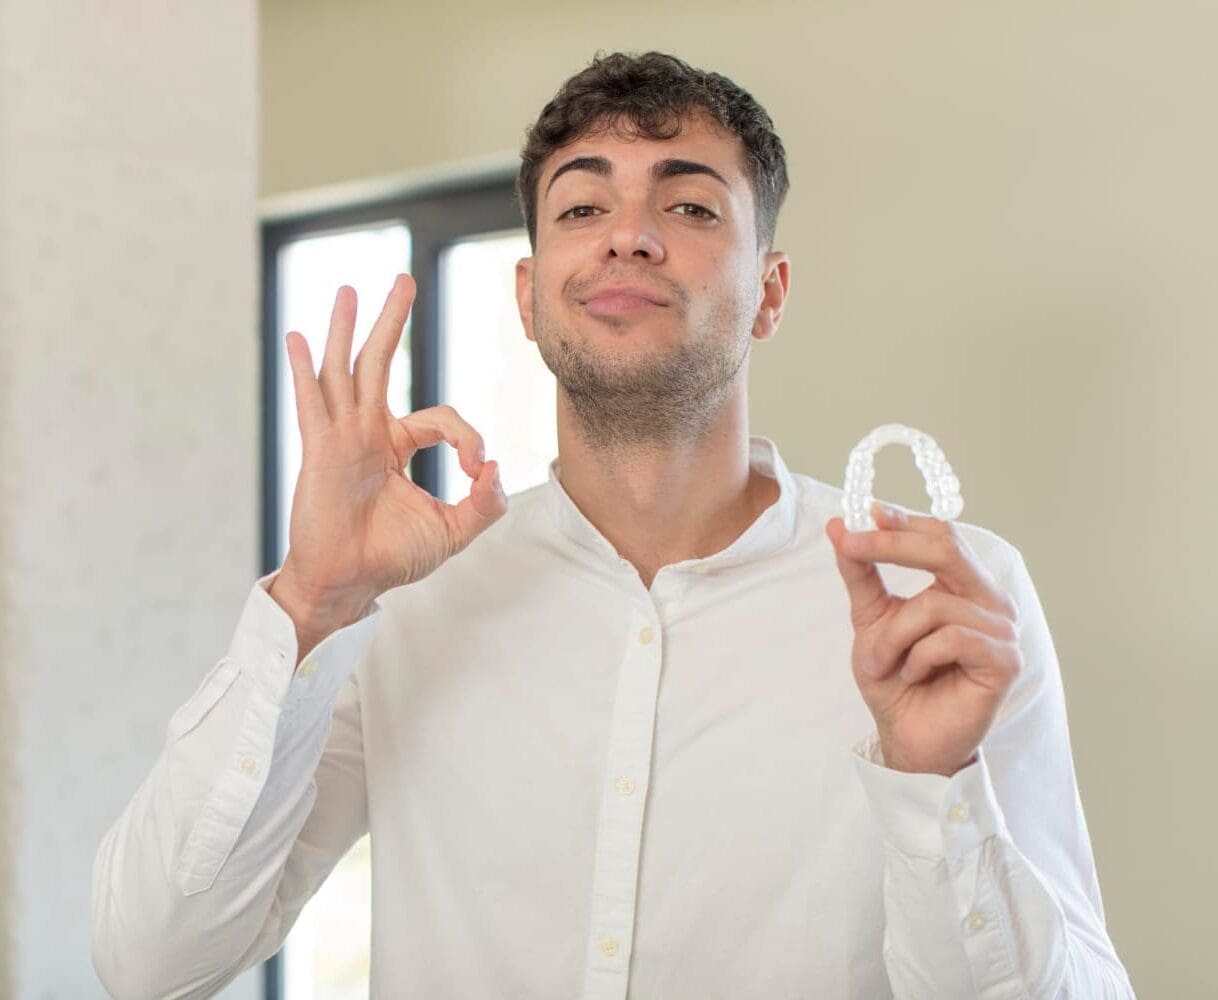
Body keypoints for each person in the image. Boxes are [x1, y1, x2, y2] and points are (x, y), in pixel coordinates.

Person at [91, 51, 1134, 999]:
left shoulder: (944, 605)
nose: (629, 233)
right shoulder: (403, 604)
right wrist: (310, 604)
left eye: (690, 205)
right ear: (528, 295)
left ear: (769, 293)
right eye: (583, 206)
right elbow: (151, 962)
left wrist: (935, 793)